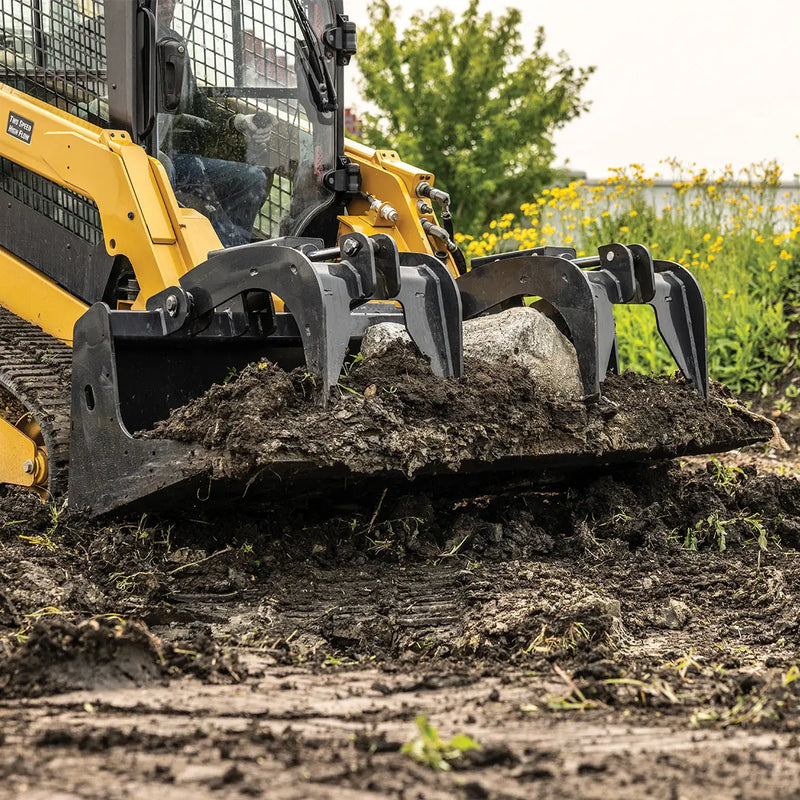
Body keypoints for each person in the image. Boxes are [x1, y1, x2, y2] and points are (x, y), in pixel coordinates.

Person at [156, 0, 271, 247]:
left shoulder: (173, 44)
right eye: (161, 0)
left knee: (252, 179)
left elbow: (195, 102)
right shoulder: (125, 41)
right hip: (138, 157)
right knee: (165, 170)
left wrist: (237, 121)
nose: (169, 5)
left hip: (177, 158)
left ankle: (228, 256)